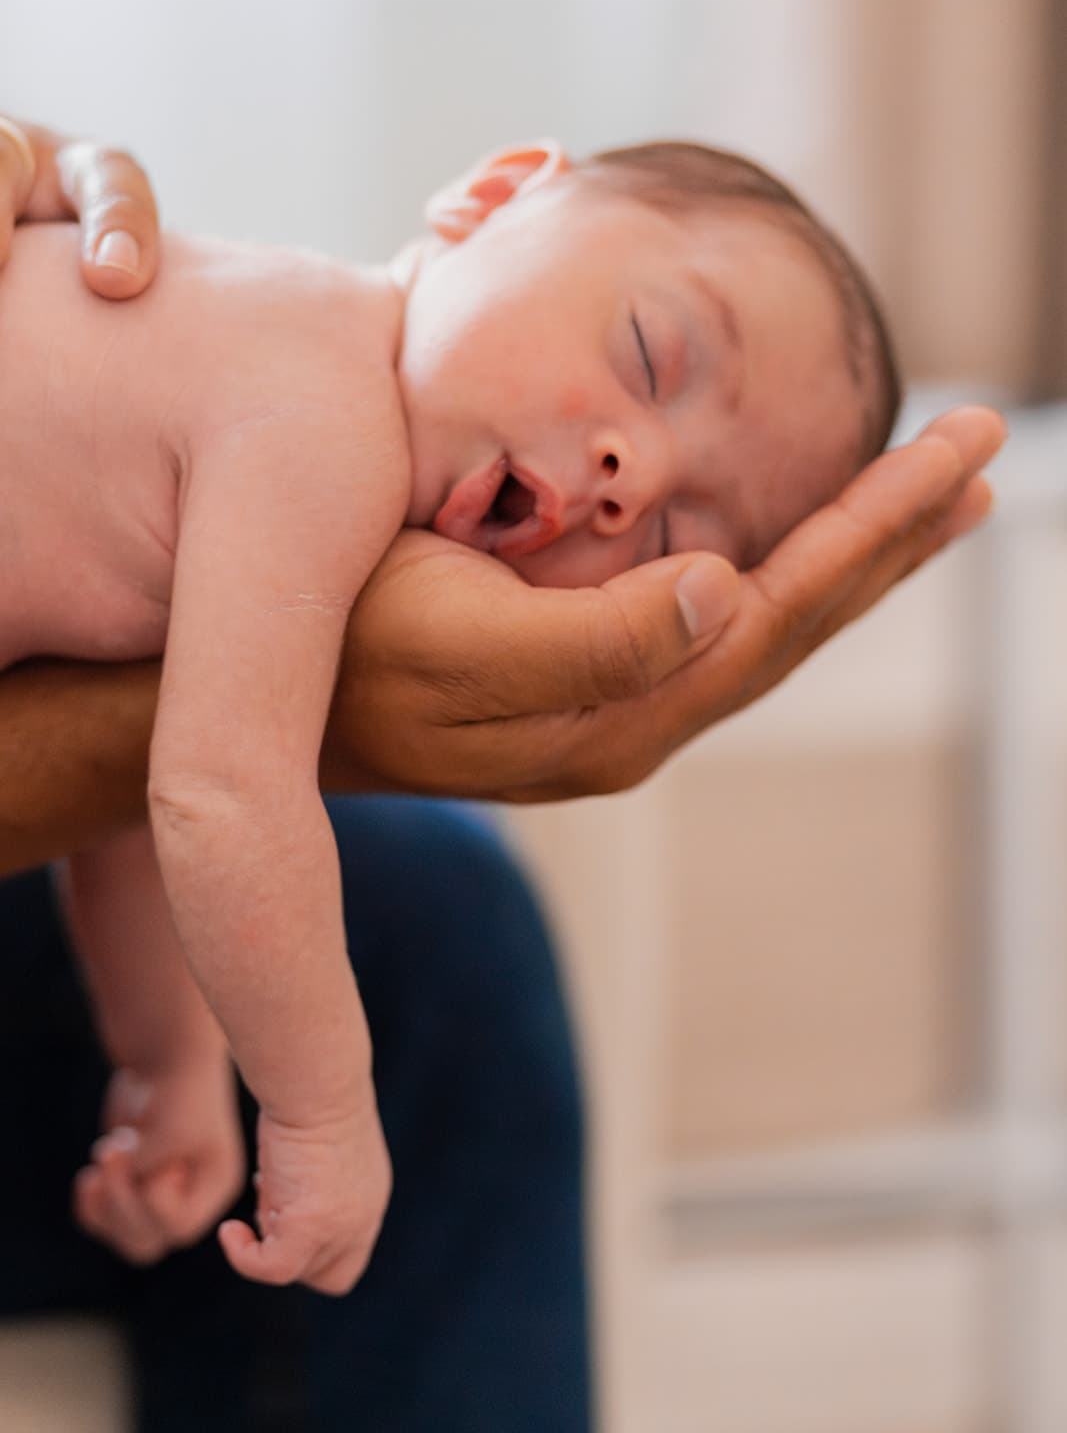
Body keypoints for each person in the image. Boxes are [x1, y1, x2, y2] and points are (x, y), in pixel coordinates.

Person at [0, 117, 1003, 1430]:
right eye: (648, 354)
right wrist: (319, 1115)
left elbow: (135, 770)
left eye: (676, 530)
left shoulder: (252, 346)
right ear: (491, 196)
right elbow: (224, 793)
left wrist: (167, 1058)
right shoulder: (320, 413)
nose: (629, 477)